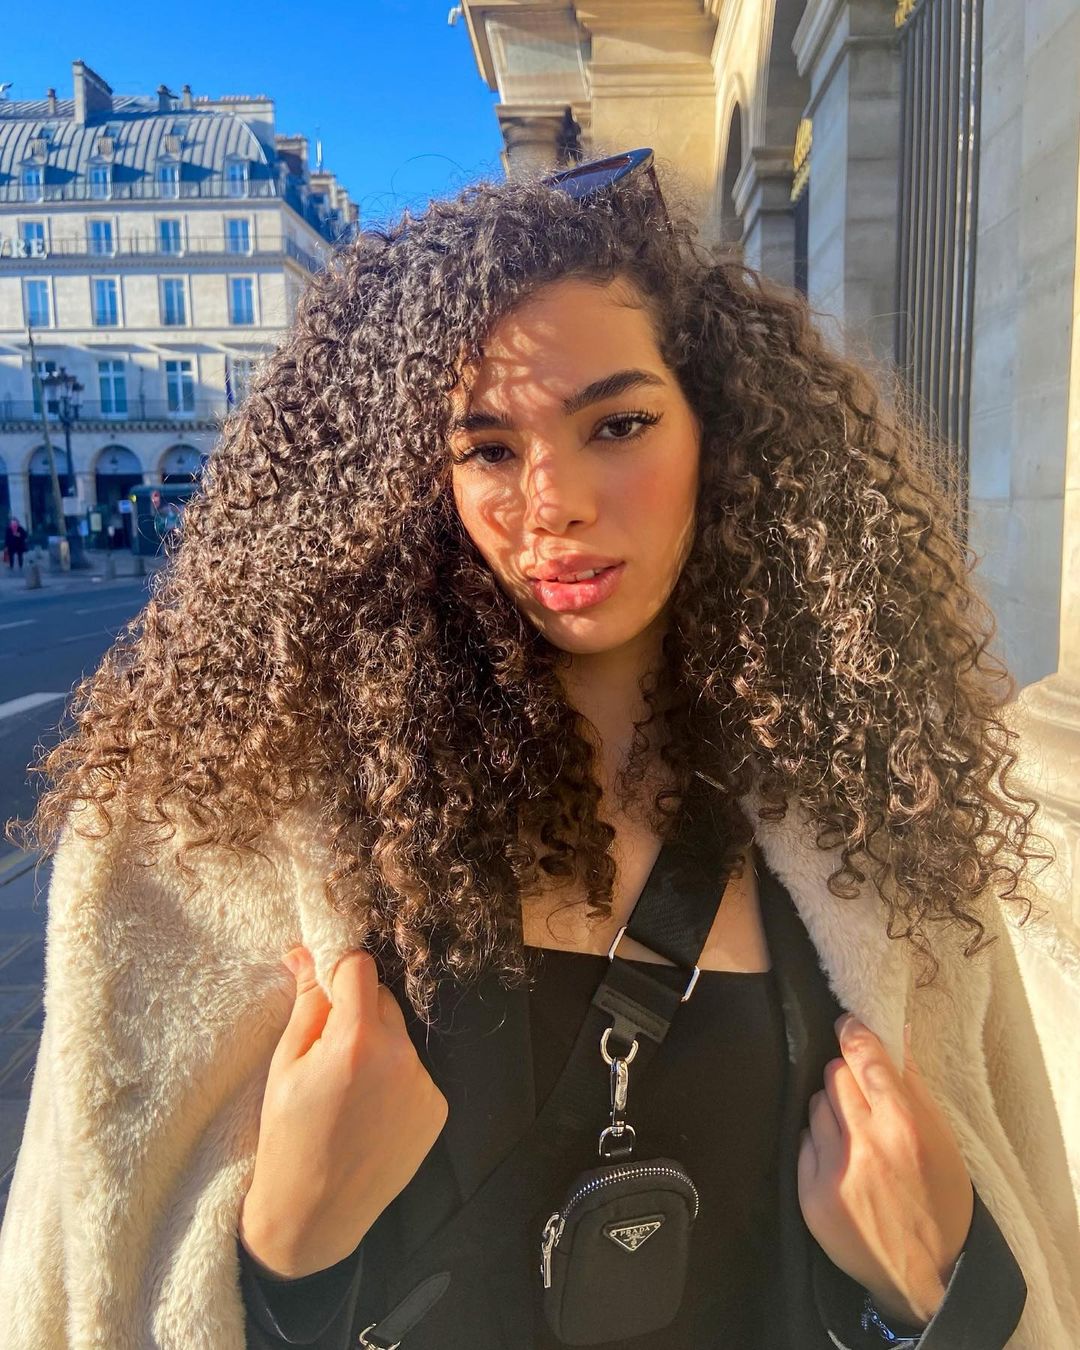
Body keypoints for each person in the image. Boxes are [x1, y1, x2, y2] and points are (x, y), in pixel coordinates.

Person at [0, 150, 1076, 1350]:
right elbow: (89, 1289)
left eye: (619, 424)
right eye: (488, 448)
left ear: (721, 433)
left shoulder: (870, 815)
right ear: (416, 479)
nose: (553, 501)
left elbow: (1014, 1222)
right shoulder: (222, 831)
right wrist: (285, 1260)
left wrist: (938, 1294)